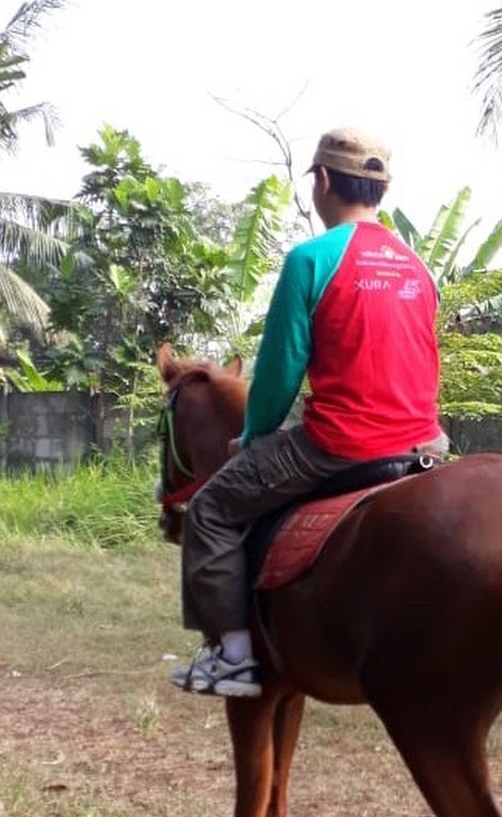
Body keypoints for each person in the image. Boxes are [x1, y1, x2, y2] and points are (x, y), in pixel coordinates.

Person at [171, 127, 448, 697]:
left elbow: (278, 374)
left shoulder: (310, 259)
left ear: (322, 181)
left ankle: (232, 658)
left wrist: (253, 435)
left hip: (341, 445)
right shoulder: (419, 268)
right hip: (424, 444)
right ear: (381, 191)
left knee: (210, 510)